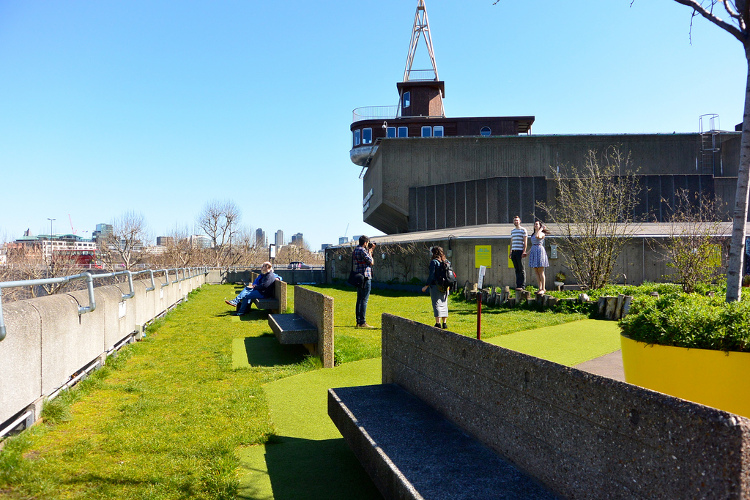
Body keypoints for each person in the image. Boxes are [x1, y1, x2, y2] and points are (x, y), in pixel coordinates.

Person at [421, 246, 449, 329]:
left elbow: (431, 275)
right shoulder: (446, 261)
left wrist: (426, 286)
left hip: (436, 286)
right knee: (444, 303)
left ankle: (438, 323)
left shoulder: (434, 262)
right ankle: (445, 323)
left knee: (436, 304)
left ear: (433, 253)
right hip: (445, 285)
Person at [353, 235, 375, 328]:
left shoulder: (356, 250)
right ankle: (363, 322)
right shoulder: (363, 250)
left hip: (358, 276)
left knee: (359, 299)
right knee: (364, 300)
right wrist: (370, 252)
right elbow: (371, 262)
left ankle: (358, 321)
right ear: (365, 243)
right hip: (366, 276)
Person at [528, 220, 550, 294]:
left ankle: (543, 289)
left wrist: (540, 229)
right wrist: (527, 253)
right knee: (536, 271)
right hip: (534, 251)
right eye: (535, 224)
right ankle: (539, 288)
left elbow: (538, 237)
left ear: (540, 226)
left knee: (541, 271)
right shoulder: (533, 234)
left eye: (537, 224)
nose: (536, 225)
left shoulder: (542, 233)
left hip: (540, 251)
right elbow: (533, 244)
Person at [509, 215, 528, 290]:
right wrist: (510, 252)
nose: (516, 222)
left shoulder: (523, 230)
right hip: (514, 251)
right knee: (516, 269)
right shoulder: (512, 231)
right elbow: (511, 242)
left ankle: (522, 285)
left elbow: (525, 242)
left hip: (520, 251)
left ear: (520, 221)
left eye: (517, 220)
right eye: (514, 220)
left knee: (521, 269)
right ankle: (518, 285)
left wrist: (524, 251)